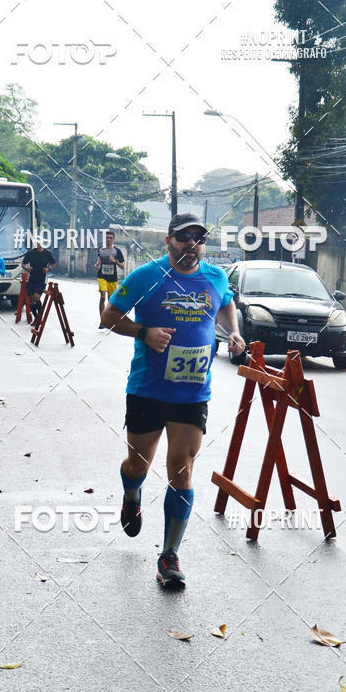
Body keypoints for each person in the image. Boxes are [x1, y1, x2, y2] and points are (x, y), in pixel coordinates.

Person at [101, 213, 246, 589]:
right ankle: (131, 494)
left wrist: (233, 332)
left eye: (199, 239)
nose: (191, 245)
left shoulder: (216, 277)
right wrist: (144, 332)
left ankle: (169, 555)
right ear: (168, 241)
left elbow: (226, 302)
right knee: (138, 464)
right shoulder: (146, 276)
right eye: (184, 238)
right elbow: (109, 316)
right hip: (147, 389)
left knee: (182, 469)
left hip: (192, 393)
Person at [22, 236, 56, 325]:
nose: (38, 245)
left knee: (36, 297)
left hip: (42, 278)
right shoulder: (30, 253)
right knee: (31, 300)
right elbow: (23, 264)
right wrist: (27, 268)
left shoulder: (47, 253)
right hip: (32, 278)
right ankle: (37, 319)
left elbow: (53, 263)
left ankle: (39, 318)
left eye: (40, 243)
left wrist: (48, 269)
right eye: (37, 243)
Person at [94, 230, 124, 328]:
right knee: (102, 296)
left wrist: (114, 261)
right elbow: (100, 258)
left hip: (112, 278)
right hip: (102, 276)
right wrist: (97, 264)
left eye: (110, 238)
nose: (108, 239)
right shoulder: (100, 249)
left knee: (110, 300)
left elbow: (122, 266)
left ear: (113, 239)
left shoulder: (117, 251)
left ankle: (109, 320)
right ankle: (102, 321)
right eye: (107, 238)